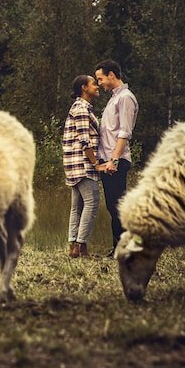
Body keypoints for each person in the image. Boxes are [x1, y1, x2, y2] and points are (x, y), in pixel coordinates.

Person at [94, 59, 139, 258]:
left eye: (100, 78)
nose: (99, 83)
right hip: (107, 161)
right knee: (113, 206)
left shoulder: (126, 98)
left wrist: (113, 160)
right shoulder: (114, 98)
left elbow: (124, 132)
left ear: (112, 75)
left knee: (117, 205)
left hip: (116, 161)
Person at [62, 75, 106, 258]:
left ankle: (74, 246)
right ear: (83, 88)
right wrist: (96, 164)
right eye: (93, 84)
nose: (97, 86)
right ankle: (81, 246)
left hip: (76, 164)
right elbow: (84, 142)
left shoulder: (82, 108)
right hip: (83, 164)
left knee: (77, 206)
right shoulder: (81, 109)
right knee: (92, 203)